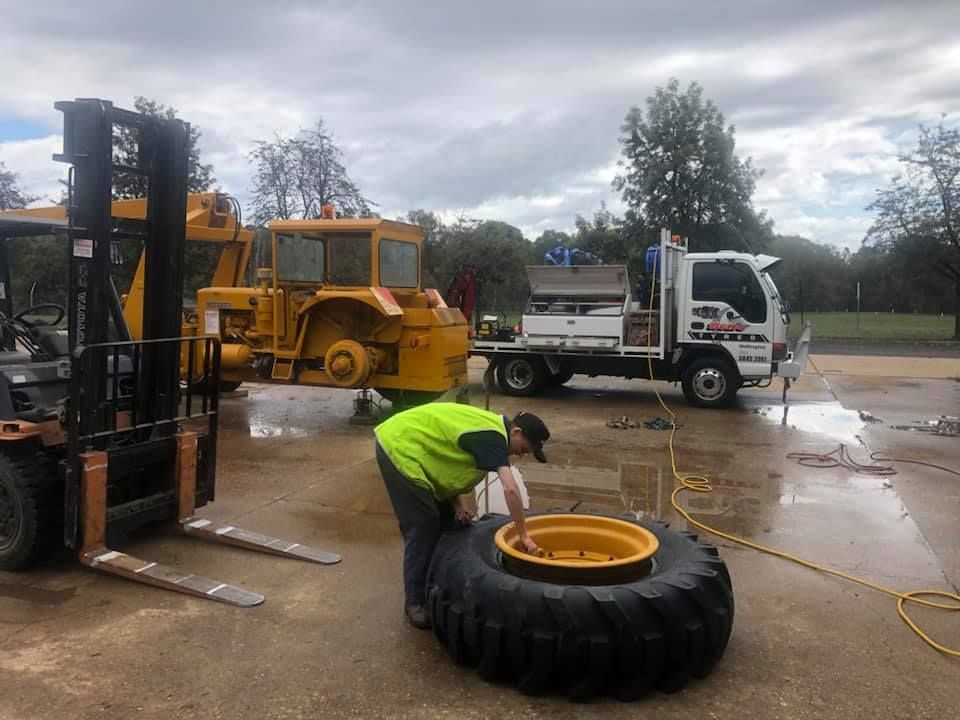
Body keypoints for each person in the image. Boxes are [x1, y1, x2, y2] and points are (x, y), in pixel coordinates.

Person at [374, 402, 550, 629]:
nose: (522, 455)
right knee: (424, 525)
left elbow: (448, 461)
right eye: (525, 448)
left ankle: (437, 585)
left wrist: (458, 505)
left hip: (415, 448)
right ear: (515, 432)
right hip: (398, 445)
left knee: (451, 524)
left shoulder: (488, 433)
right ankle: (415, 602)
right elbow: (511, 489)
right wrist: (524, 535)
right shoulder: (494, 438)